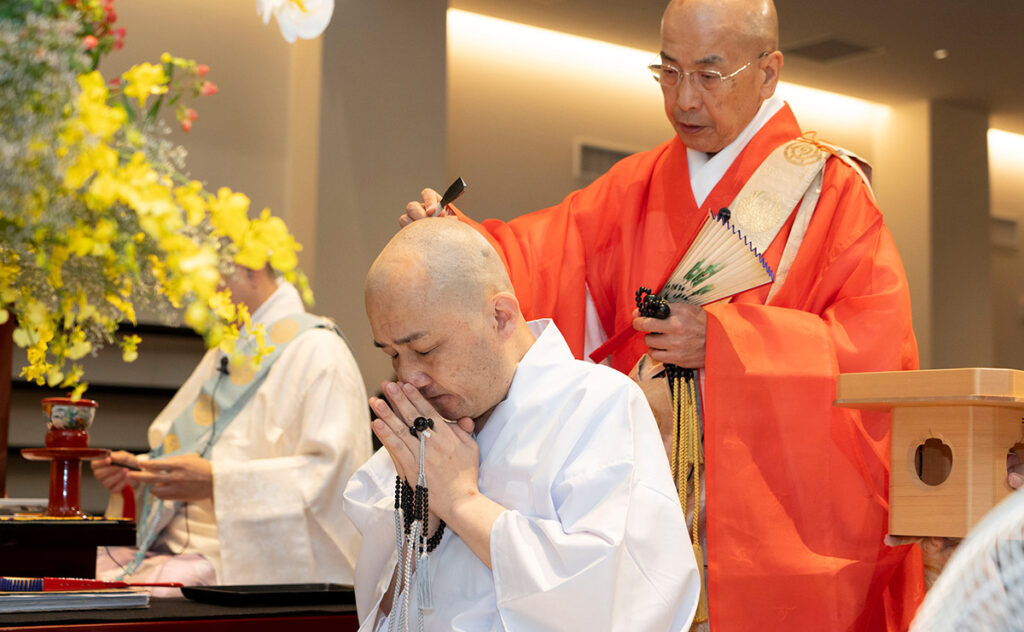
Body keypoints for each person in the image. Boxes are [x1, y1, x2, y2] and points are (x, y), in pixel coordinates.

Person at [402, 0, 926, 629]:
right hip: (642, 500)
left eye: (709, 75)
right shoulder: (636, 185)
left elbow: (874, 351)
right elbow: (539, 261)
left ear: (769, 71)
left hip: (765, 520)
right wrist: (459, 245)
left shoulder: (829, 195)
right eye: (668, 72)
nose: (684, 99)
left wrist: (729, 340)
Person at [343, 218, 700, 631]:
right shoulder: (424, 427)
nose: (409, 378)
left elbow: (607, 598)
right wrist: (420, 527)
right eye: (392, 355)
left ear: (500, 316)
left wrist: (461, 503)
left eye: (425, 349)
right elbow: (383, 610)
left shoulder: (596, 404)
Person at [90, 265, 373, 591]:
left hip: (240, 562)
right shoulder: (227, 350)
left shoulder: (321, 352)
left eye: (209, 279)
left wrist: (218, 483)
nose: (201, 299)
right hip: (177, 547)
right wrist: (140, 474)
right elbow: (186, 449)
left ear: (249, 270)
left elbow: (333, 482)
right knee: (76, 575)